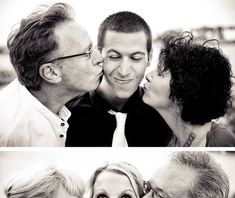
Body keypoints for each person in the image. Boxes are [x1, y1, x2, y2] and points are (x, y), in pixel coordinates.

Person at [0, 2, 103, 147]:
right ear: (51, 72)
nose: (100, 58)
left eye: (93, 47)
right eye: (87, 53)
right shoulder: (15, 135)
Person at [66, 11, 172, 147]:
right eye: (114, 57)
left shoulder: (165, 116)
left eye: (135, 58)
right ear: (98, 53)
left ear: (149, 57)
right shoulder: (66, 114)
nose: (124, 71)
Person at [143, 32, 235, 146]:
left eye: (160, 73)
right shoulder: (170, 139)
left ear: (181, 95)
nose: (148, 76)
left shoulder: (222, 142)